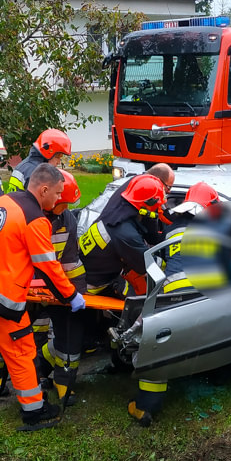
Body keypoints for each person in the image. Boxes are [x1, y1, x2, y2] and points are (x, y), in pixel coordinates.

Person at [0, 163, 86, 429]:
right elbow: (47, 266)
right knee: (23, 351)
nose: (58, 199)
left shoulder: (5, 201)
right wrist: (71, 295)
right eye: (57, 193)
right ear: (44, 189)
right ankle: (34, 410)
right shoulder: (35, 219)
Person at [0, 170, 87, 404]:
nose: (67, 208)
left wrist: (79, 293)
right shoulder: (27, 215)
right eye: (63, 201)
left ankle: (48, 379)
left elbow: (70, 262)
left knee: (57, 332)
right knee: (15, 333)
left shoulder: (67, 220)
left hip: (51, 288)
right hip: (20, 288)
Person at [124, 182, 220, 427]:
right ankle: (209, 375)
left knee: (159, 351)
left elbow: (162, 264)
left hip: (171, 298)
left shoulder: (171, 230)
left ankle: (145, 406)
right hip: (202, 296)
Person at [79, 174, 167, 298]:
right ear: (146, 205)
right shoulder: (125, 234)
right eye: (158, 205)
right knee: (138, 302)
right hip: (93, 285)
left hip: (91, 271)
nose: (160, 208)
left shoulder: (118, 212)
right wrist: (170, 263)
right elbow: (147, 265)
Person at [7, 129, 72, 192]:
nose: (59, 162)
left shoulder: (29, 166)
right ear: (48, 153)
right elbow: (38, 200)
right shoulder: (37, 173)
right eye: (58, 157)